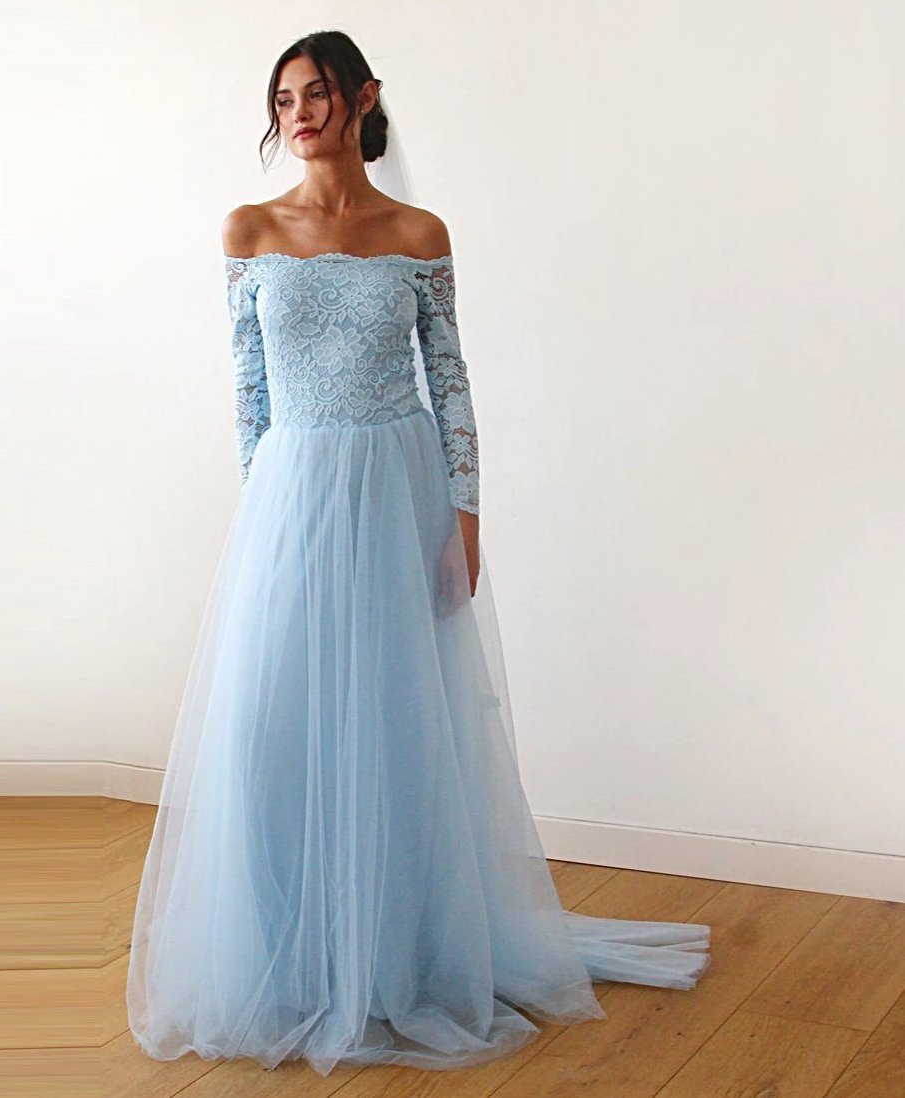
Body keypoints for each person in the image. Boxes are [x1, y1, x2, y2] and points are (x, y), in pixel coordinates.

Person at [126, 29, 711, 1078]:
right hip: (293, 498)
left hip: (398, 494)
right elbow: (250, 391)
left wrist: (464, 516)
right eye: (283, 99)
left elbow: (452, 380)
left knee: (396, 719)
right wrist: (262, 522)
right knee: (270, 721)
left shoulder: (417, 232)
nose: (299, 114)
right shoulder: (249, 229)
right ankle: (293, 953)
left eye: (317, 93)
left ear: (363, 99)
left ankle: (394, 951)